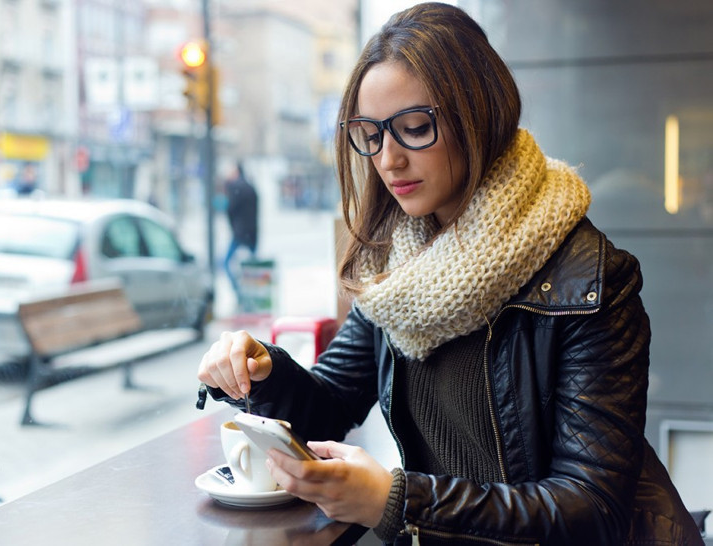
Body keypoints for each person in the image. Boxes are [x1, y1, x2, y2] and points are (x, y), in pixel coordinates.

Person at [197, 3, 702, 545]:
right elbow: (332, 404)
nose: (387, 159)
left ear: (478, 116)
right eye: (370, 134)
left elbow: (590, 507)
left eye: (414, 128)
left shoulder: (592, 281)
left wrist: (396, 500)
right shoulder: (399, 273)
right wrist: (263, 369)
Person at [222, 162, 259, 297]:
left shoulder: (236, 188)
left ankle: (240, 293)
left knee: (227, 263)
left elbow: (230, 210)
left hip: (240, 234)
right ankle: (252, 294)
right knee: (252, 266)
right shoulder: (251, 188)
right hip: (252, 234)